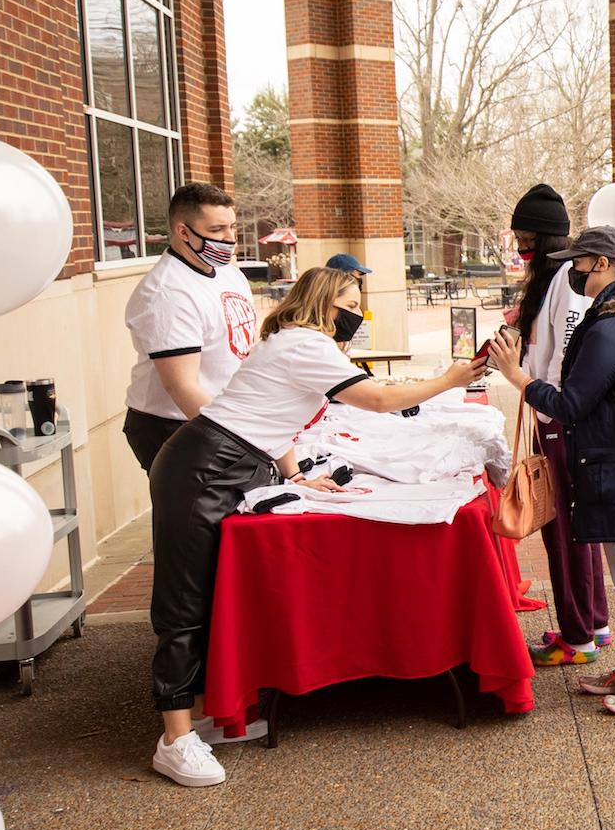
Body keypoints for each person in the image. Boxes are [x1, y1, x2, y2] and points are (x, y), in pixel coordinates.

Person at [149, 269, 487, 787]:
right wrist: (450, 379)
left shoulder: (290, 343)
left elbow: (268, 416)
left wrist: (297, 473)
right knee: (185, 600)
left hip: (229, 461)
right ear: (326, 303)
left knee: (213, 590)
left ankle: (198, 715)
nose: (356, 313)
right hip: (205, 467)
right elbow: (374, 399)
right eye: (350, 302)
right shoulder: (305, 343)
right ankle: (173, 739)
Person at [487, 226, 615, 716]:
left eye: (579, 263)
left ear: (602, 264)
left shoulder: (613, 325)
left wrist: (520, 378)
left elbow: (572, 403)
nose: (573, 271)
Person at [509, 184, 611, 669]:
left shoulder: (563, 283)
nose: (519, 245)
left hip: (557, 419)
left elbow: (564, 359)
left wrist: (536, 393)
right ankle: (592, 622)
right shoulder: (556, 281)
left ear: (545, 237)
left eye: (524, 235)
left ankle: (577, 636)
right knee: (576, 526)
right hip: (556, 413)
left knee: (564, 527)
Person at [120, 183, 254, 475]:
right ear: (183, 232)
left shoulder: (229, 273)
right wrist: (243, 439)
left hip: (223, 416)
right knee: (192, 517)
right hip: (175, 424)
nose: (229, 238)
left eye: (232, 227)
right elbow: (183, 387)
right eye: (217, 230)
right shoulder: (167, 292)